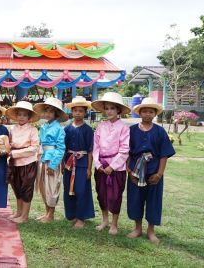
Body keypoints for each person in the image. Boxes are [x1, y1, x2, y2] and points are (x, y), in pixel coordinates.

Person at [127, 97, 175, 243]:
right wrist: (130, 172)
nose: (147, 114)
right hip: (135, 172)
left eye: (150, 112)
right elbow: (126, 153)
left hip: (153, 172)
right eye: (145, 111)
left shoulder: (160, 132)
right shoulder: (131, 131)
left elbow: (164, 154)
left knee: (154, 201)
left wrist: (159, 174)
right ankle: (137, 228)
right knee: (135, 199)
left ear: (155, 114)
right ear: (139, 113)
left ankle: (151, 231)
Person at [91, 92, 131, 235]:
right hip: (101, 165)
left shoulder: (124, 128)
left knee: (115, 196)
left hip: (116, 167)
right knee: (101, 194)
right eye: (107, 108)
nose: (109, 111)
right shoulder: (101, 126)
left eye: (112, 108)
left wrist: (112, 166)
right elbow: (95, 146)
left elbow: (125, 149)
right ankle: (104, 220)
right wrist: (98, 164)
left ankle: (114, 223)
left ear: (118, 110)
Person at [33, 97, 68, 223]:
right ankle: (47, 211)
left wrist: (53, 165)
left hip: (52, 160)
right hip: (42, 158)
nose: (48, 114)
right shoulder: (43, 126)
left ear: (56, 114)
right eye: (46, 111)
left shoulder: (59, 128)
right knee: (43, 186)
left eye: (51, 111)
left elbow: (60, 148)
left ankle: (51, 214)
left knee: (52, 186)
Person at [63, 96, 95, 228]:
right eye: (75, 110)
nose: (77, 113)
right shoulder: (67, 129)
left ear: (85, 112)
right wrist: (62, 165)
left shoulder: (88, 130)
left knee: (81, 190)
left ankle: (81, 217)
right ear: (71, 111)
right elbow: (63, 149)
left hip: (82, 164)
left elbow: (90, 150)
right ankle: (72, 215)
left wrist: (89, 168)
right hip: (69, 164)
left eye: (81, 111)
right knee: (68, 189)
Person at [6, 101, 40, 223]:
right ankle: (19, 212)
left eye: (24, 115)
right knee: (17, 187)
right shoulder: (13, 129)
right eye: (19, 114)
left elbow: (34, 148)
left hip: (28, 163)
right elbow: (9, 144)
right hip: (14, 163)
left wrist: (15, 153)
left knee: (26, 188)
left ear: (29, 117)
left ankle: (25, 216)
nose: (21, 117)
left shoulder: (33, 130)